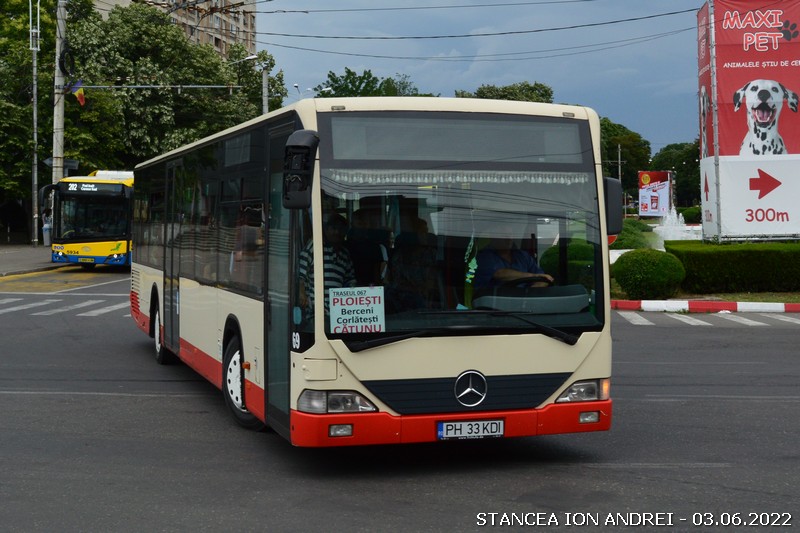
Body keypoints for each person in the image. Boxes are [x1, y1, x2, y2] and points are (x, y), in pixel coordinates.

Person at [298, 213, 357, 317]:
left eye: (341, 229)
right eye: (333, 228)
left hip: (338, 313)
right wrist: (302, 293)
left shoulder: (345, 254)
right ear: (326, 229)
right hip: (315, 313)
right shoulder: (315, 246)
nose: (337, 232)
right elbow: (300, 275)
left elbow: (350, 281)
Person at [474, 233, 553, 289]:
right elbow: (500, 274)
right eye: (505, 236)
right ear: (493, 238)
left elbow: (543, 278)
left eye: (511, 236)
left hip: (524, 304)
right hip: (493, 304)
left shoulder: (523, 256)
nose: (509, 239)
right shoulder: (483, 256)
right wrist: (534, 276)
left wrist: (530, 293)